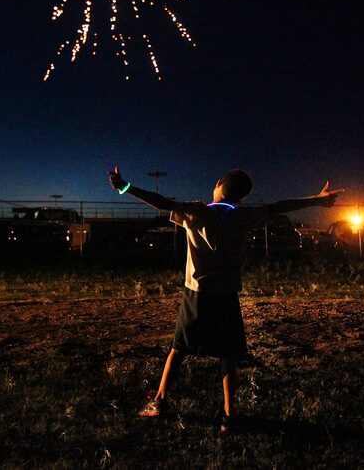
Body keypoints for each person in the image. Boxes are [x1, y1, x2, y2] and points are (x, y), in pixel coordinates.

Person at [107, 166, 342, 434]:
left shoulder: (196, 211)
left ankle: (159, 402)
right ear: (241, 197)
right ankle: (229, 416)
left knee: (179, 348)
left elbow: (161, 201)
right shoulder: (243, 215)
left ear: (219, 183)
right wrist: (317, 200)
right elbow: (281, 206)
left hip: (197, 294)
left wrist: (125, 187)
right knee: (228, 355)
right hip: (227, 294)